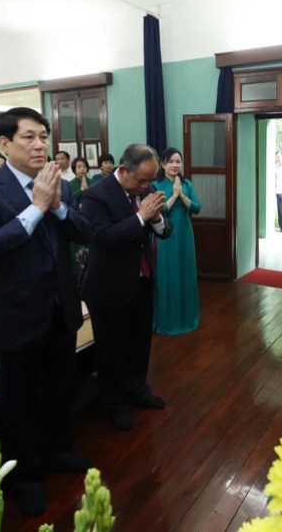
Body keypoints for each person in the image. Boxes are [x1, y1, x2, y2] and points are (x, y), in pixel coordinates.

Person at [0, 107, 93, 518]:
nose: (40, 145)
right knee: (19, 400)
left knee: (59, 387)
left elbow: (83, 232)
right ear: (4, 143)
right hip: (14, 314)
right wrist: (36, 207)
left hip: (59, 307)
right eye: (29, 137)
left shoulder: (60, 184)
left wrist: (55, 205)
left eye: (44, 137)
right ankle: (26, 476)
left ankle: (57, 451)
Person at [80, 144, 172, 432]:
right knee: (111, 348)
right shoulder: (95, 195)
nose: (145, 186)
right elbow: (102, 238)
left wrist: (156, 218)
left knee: (139, 341)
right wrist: (141, 217)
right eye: (141, 180)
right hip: (108, 285)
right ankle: (114, 402)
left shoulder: (144, 191)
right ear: (122, 170)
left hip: (141, 279)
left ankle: (137, 390)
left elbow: (166, 231)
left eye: (149, 180)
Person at [154, 147, 201, 336]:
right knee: (167, 274)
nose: (175, 165)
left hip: (184, 233)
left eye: (178, 161)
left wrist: (182, 194)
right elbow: (159, 211)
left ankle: (187, 318)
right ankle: (167, 319)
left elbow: (197, 208)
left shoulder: (187, 184)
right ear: (163, 164)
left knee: (185, 273)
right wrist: (174, 195)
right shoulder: (156, 185)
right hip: (165, 234)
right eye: (171, 161)